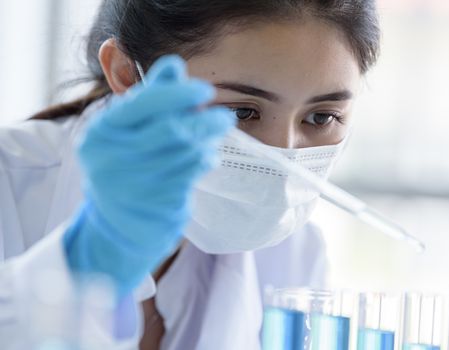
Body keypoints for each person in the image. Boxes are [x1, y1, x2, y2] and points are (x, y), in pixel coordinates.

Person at [0, 0, 380, 349]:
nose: (284, 155)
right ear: (127, 74)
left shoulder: (295, 254)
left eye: (321, 117)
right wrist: (82, 266)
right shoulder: (9, 184)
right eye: (240, 112)